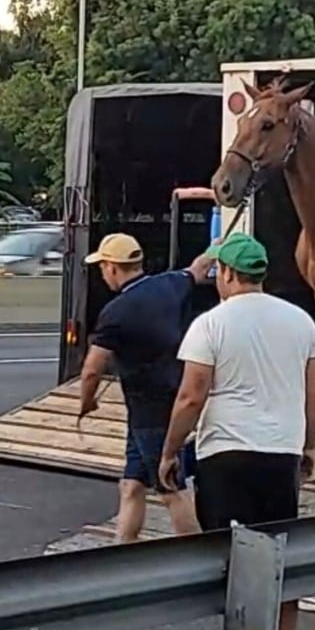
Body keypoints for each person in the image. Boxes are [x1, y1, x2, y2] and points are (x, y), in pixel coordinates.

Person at [157, 232, 315, 630]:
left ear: (227, 273)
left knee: (227, 558)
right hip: (280, 453)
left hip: (224, 457)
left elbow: (192, 396)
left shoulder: (210, 323)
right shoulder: (301, 321)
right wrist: (309, 446)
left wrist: (170, 450)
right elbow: (313, 394)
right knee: (281, 557)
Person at [78, 233, 212, 543]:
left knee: (171, 489)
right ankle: (122, 553)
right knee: (131, 485)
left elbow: (91, 369)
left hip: (150, 412)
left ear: (112, 267)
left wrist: (87, 403)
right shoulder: (171, 283)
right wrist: (217, 248)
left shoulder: (116, 312)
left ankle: (199, 557)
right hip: (159, 407)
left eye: (102, 267)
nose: (102, 274)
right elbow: (200, 267)